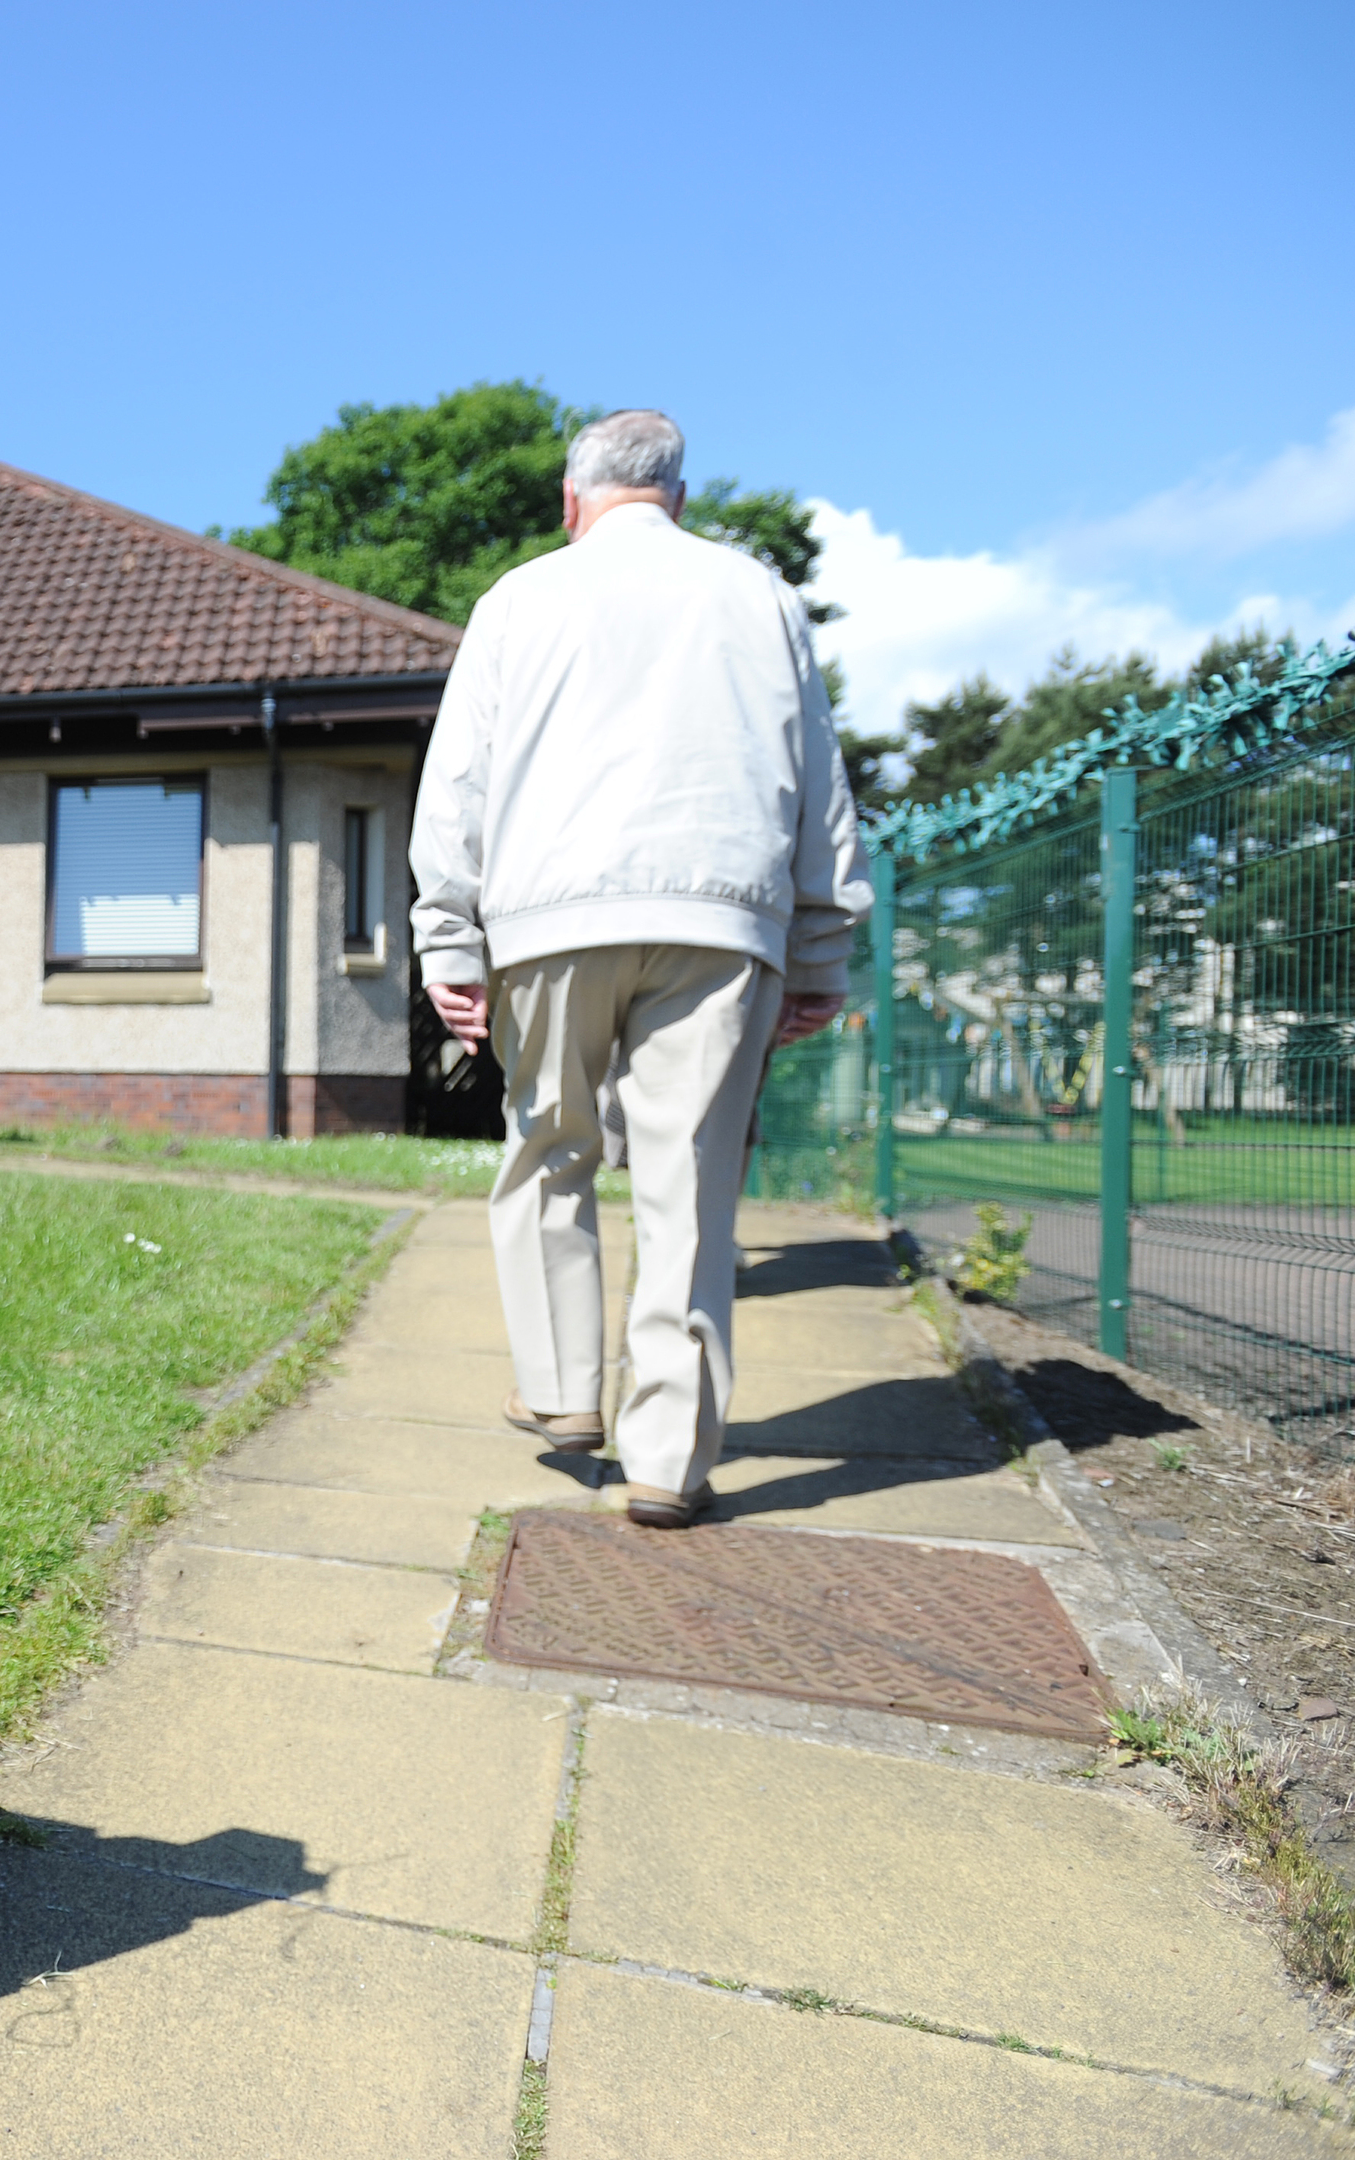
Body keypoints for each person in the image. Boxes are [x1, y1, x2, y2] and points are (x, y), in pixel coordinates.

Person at [409, 409, 870, 1529]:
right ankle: (667, 1462)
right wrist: (819, 948)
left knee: (547, 1149)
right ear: (676, 496)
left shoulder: (520, 597)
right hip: (722, 922)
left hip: (546, 920)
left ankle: (566, 1393)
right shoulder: (757, 594)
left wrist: (448, 938)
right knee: (691, 1189)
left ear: (573, 501)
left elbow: (456, 783)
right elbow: (819, 784)